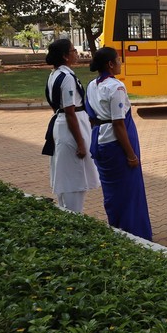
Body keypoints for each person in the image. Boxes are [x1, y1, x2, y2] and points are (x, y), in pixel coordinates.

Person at [85, 47, 153, 240]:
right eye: (118, 60)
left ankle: (116, 226)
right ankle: (134, 232)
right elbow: (118, 123)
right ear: (110, 64)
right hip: (117, 145)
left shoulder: (92, 85)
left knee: (112, 192)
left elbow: (92, 117)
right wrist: (130, 154)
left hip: (100, 140)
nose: (121, 63)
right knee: (129, 190)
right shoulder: (116, 87)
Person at [42, 39, 99, 213]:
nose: (76, 53)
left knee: (67, 172)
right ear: (66, 56)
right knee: (74, 176)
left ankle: (67, 210)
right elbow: (69, 112)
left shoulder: (55, 74)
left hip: (63, 126)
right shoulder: (66, 78)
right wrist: (81, 143)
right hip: (70, 128)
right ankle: (74, 213)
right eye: (73, 50)